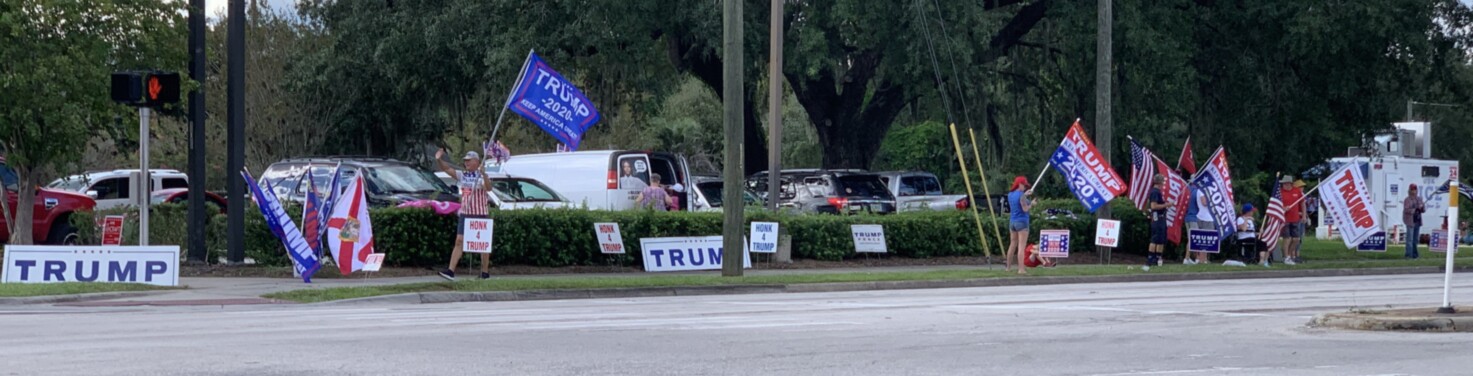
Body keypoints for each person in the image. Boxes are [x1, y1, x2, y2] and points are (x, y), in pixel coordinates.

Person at [435, 148, 494, 281]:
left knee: (482, 244)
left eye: (469, 160)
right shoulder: (463, 175)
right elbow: (447, 169)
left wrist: (484, 175)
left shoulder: (480, 175)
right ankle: (450, 271)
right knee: (459, 241)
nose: (466, 163)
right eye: (465, 161)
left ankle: (485, 273)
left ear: (476, 161)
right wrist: (439, 159)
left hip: (480, 213)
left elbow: (488, 188)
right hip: (465, 213)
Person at [1184, 174, 1213, 265]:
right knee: (1193, 239)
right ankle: (1187, 258)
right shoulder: (1197, 191)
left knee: (1192, 238)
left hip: (1187, 216)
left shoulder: (1187, 190)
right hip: (1194, 217)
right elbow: (1203, 203)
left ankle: (1193, 258)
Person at [1278, 176, 1308, 265]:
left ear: (1290, 184)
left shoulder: (1296, 191)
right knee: (1287, 239)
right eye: (1283, 184)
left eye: (1286, 183)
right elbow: (1276, 204)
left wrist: (1304, 215)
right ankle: (1286, 257)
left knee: (1296, 239)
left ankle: (1290, 255)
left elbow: (1302, 203)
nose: (1285, 185)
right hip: (1285, 219)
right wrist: (1283, 208)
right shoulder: (1279, 192)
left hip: (1295, 218)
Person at [1007, 176, 1033, 275]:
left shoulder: (1010, 194)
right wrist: (1032, 204)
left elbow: (1018, 199)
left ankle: (1008, 267)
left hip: (1012, 222)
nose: (1025, 187)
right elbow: (1025, 209)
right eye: (1024, 185)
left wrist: (1025, 194)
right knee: (1021, 247)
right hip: (1022, 222)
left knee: (1012, 244)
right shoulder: (1021, 195)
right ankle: (1021, 269)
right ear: (1019, 184)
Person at [1146, 174, 1172, 268]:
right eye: (1163, 182)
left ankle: (1158, 258)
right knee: (1155, 238)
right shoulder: (1155, 192)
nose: (1164, 184)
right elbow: (1154, 206)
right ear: (1160, 182)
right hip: (1157, 218)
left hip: (1161, 217)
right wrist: (1166, 205)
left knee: (1161, 239)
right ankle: (1151, 258)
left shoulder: (1157, 192)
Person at [1404, 184, 1426, 259]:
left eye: (1415, 190)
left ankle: (1415, 254)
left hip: (1417, 220)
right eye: (1412, 190)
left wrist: (1422, 207)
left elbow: (1423, 210)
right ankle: (1408, 255)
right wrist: (1414, 209)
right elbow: (1406, 210)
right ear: (1409, 190)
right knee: (1409, 239)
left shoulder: (1419, 199)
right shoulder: (1407, 200)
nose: (1413, 191)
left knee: (1415, 239)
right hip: (1410, 221)